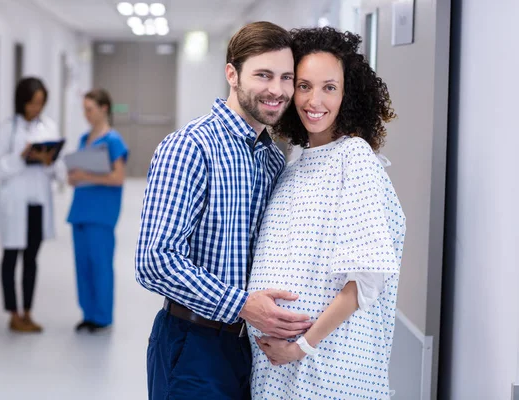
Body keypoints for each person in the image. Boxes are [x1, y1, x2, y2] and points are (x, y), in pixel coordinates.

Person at [135, 21, 314, 400]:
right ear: (232, 74)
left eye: (286, 78)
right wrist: (243, 305)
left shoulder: (271, 160)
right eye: (263, 75)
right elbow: (154, 261)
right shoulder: (189, 147)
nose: (277, 90)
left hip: (251, 348)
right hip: (193, 346)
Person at [247, 27, 406, 399]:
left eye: (329, 87)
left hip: (327, 369)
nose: (313, 100)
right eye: (303, 86)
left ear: (348, 95)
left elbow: (364, 279)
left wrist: (301, 346)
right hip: (281, 370)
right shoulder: (296, 163)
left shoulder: (355, 158)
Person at [0, 77, 64, 333]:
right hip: (15, 201)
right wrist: (20, 158)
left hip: (37, 202)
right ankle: (13, 313)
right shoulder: (8, 129)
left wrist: (48, 160)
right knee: (10, 258)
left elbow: (58, 168)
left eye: (41, 103)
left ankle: (28, 312)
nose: (36, 108)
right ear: (22, 102)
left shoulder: (49, 127)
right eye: (32, 103)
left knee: (31, 259)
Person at [66, 88, 129, 333]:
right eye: (84, 109)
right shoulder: (84, 139)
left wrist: (87, 175)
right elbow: (76, 176)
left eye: (90, 109)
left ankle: (102, 317)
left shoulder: (113, 141)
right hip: (80, 210)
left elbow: (118, 177)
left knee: (100, 264)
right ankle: (88, 313)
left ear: (104, 109)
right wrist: (75, 177)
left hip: (101, 213)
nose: (86, 114)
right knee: (83, 265)